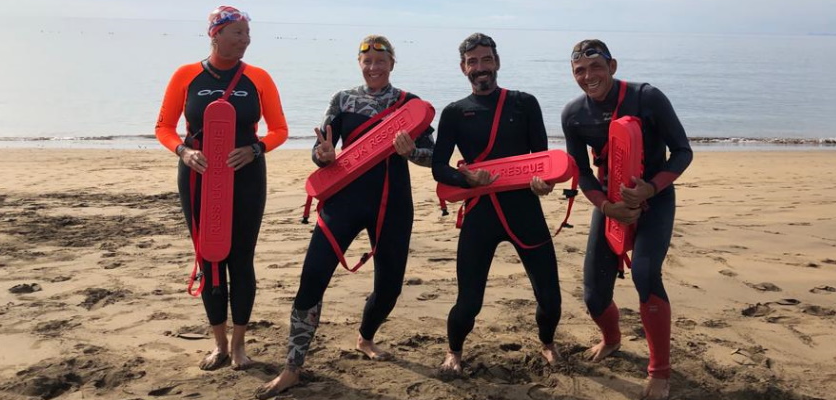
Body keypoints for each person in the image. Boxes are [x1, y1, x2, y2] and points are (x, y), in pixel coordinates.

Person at [255, 35, 434, 399]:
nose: (374, 67)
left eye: (380, 61)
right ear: (360, 64)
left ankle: (366, 338)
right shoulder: (343, 99)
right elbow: (322, 149)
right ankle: (292, 367)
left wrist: (412, 150)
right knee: (313, 276)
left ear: (391, 64)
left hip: (392, 203)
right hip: (344, 201)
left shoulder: (410, 105)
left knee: (390, 286)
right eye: (367, 61)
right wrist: (322, 156)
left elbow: (433, 155)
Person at [154, 5, 287, 371]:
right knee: (210, 257)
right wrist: (183, 152)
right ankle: (219, 344)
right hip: (199, 177)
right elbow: (164, 127)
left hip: (245, 175)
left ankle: (240, 345)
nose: (246, 40)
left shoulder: (258, 78)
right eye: (238, 33)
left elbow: (279, 129)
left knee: (241, 258)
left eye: (247, 34)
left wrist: (256, 148)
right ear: (216, 34)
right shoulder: (185, 75)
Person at [561, 39, 693, 399]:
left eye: (596, 67)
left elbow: (682, 151)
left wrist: (651, 188)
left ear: (613, 66)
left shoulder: (647, 97)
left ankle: (660, 372)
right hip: (610, 204)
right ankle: (612, 339)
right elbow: (582, 173)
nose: (589, 76)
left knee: (645, 274)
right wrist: (605, 207)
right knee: (593, 296)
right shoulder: (574, 114)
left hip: (655, 199)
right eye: (579, 71)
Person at [433, 33, 562, 375]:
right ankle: (454, 351)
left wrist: (544, 183)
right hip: (481, 214)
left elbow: (543, 160)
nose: (480, 67)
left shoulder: (524, 103)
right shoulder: (455, 113)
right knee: (469, 302)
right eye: (473, 62)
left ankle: (547, 343)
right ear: (463, 68)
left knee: (550, 298)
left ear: (497, 62)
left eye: (486, 60)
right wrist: (467, 179)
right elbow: (438, 166)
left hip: (524, 209)